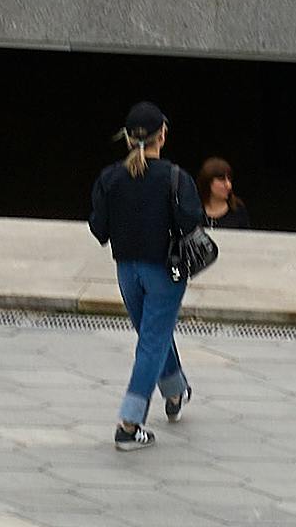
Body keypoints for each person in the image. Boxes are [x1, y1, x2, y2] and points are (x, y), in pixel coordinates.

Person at [89, 99, 200, 446]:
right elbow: (191, 221)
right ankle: (129, 423)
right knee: (152, 341)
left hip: (126, 271)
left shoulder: (109, 178)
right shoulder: (175, 177)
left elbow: (98, 228)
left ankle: (175, 391)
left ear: (126, 138)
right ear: (162, 136)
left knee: (152, 336)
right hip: (165, 271)